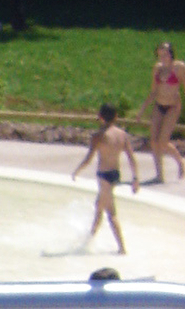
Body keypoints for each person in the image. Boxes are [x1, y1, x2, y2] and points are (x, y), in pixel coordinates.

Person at [71, 103, 140, 254]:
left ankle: (122, 249)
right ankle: (88, 242)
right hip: (115, 175)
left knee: (111, 213)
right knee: (99, 208)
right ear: (116, 117)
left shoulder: (98, 136)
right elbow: (131, 158)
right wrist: (135, 178)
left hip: (103, 177)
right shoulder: (122, 135)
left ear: (100, 117)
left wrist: (77, 171)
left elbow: (89, 158)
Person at [143, 42, 185, 183]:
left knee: (163, 142)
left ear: (171, 53)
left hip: (173, 106)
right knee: (154, 141)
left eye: (166, 54)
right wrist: (142, 109)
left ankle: (180, 161)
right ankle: (159, 175)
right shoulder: (157, 68)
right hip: (159, 105)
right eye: (160, 54)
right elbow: (154, 91)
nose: (163, 57)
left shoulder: (178, 67)